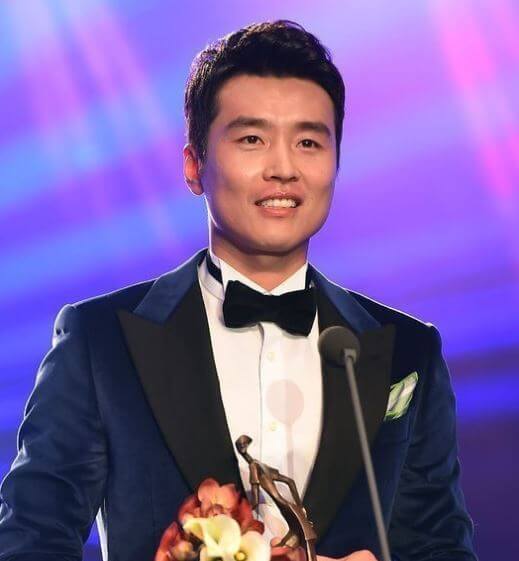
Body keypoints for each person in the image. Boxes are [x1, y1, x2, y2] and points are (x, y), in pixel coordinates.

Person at [0, 20, 477, 561]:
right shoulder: (101, 340)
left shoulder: (406, 350)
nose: (283, 168)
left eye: (308, 142)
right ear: (193, 165)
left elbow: (440, 547)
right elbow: (30, 542)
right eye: (252, 139)